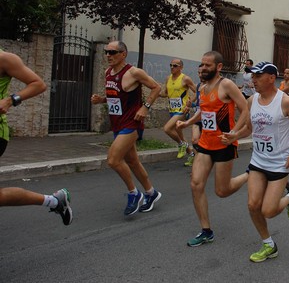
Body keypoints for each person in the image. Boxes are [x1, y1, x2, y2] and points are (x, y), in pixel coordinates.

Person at [222, 61, 289, 262]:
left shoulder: (285, 102)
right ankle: (268, 245)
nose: (253, 80)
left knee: (269, 210)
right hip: (258, 161)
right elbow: (250, 128)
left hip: (280, 163)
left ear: (272, 78)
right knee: (253, 205)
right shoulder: (252, 100)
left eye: (258, 76)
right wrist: (234, 135)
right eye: (252, 76)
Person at [176, 51, 250, 247]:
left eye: (207, 65)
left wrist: (234, 132)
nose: (203, 68)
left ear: (218, 67)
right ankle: (206, 230)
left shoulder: (226, 85)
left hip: (224, 143)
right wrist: (187, 123)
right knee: (196, 184)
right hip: (206, 143)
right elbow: (203, 111)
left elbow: (245, 109)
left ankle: (250, 175)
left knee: (222, 191)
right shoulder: (202, 86)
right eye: (202, 64)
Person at [0, 50, 72, 225]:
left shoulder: (5, 59)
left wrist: (10, 100)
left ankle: (54, 201)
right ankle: (55, 201)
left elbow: (38, 84)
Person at [91, 41, 162, 216]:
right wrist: (101, 100)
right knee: (133, 162)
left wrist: (145, 107)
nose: (108, 55)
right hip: (117, 123)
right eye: (106, 52)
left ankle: (133, 193)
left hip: (132, 124)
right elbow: (116, 97)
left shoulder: (134, 72)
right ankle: (151, 193)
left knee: (113, 160)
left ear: (123, 54)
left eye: (113, 52)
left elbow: (156, 87)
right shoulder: (108, 72)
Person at [159, 58, 196, 160]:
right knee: (180, 135)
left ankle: (181, 145)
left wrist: (189, 104)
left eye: (175, 66)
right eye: (170, 65)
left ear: (181, 67)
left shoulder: (185, 79)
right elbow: (165, 93)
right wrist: (156, 93)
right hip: (172, 110)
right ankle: (192, 155)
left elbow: (197, 92)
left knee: (167, 129)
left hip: (182, 110)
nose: (172, 67)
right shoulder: (168, 78)